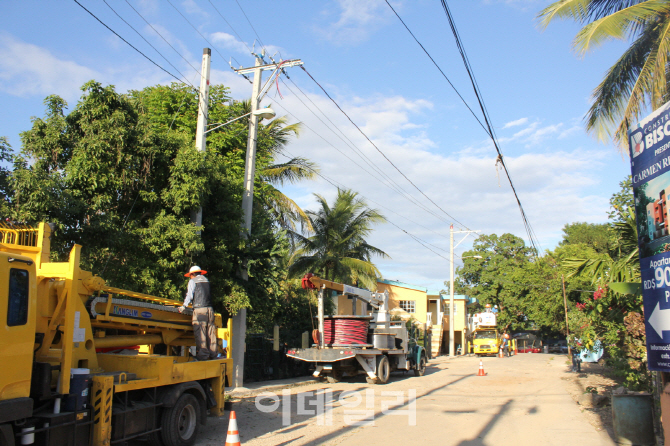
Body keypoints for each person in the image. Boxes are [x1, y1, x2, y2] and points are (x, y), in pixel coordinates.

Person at [179, 266, 218, 361]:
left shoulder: (193, 281)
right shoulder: (206, 280)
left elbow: (190, 294)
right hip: (210, 309)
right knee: (210, 331)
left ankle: (203, 355)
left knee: (200, 331)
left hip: (200, 310)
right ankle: (213, 354)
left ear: (192, 274)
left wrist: (184, 306)